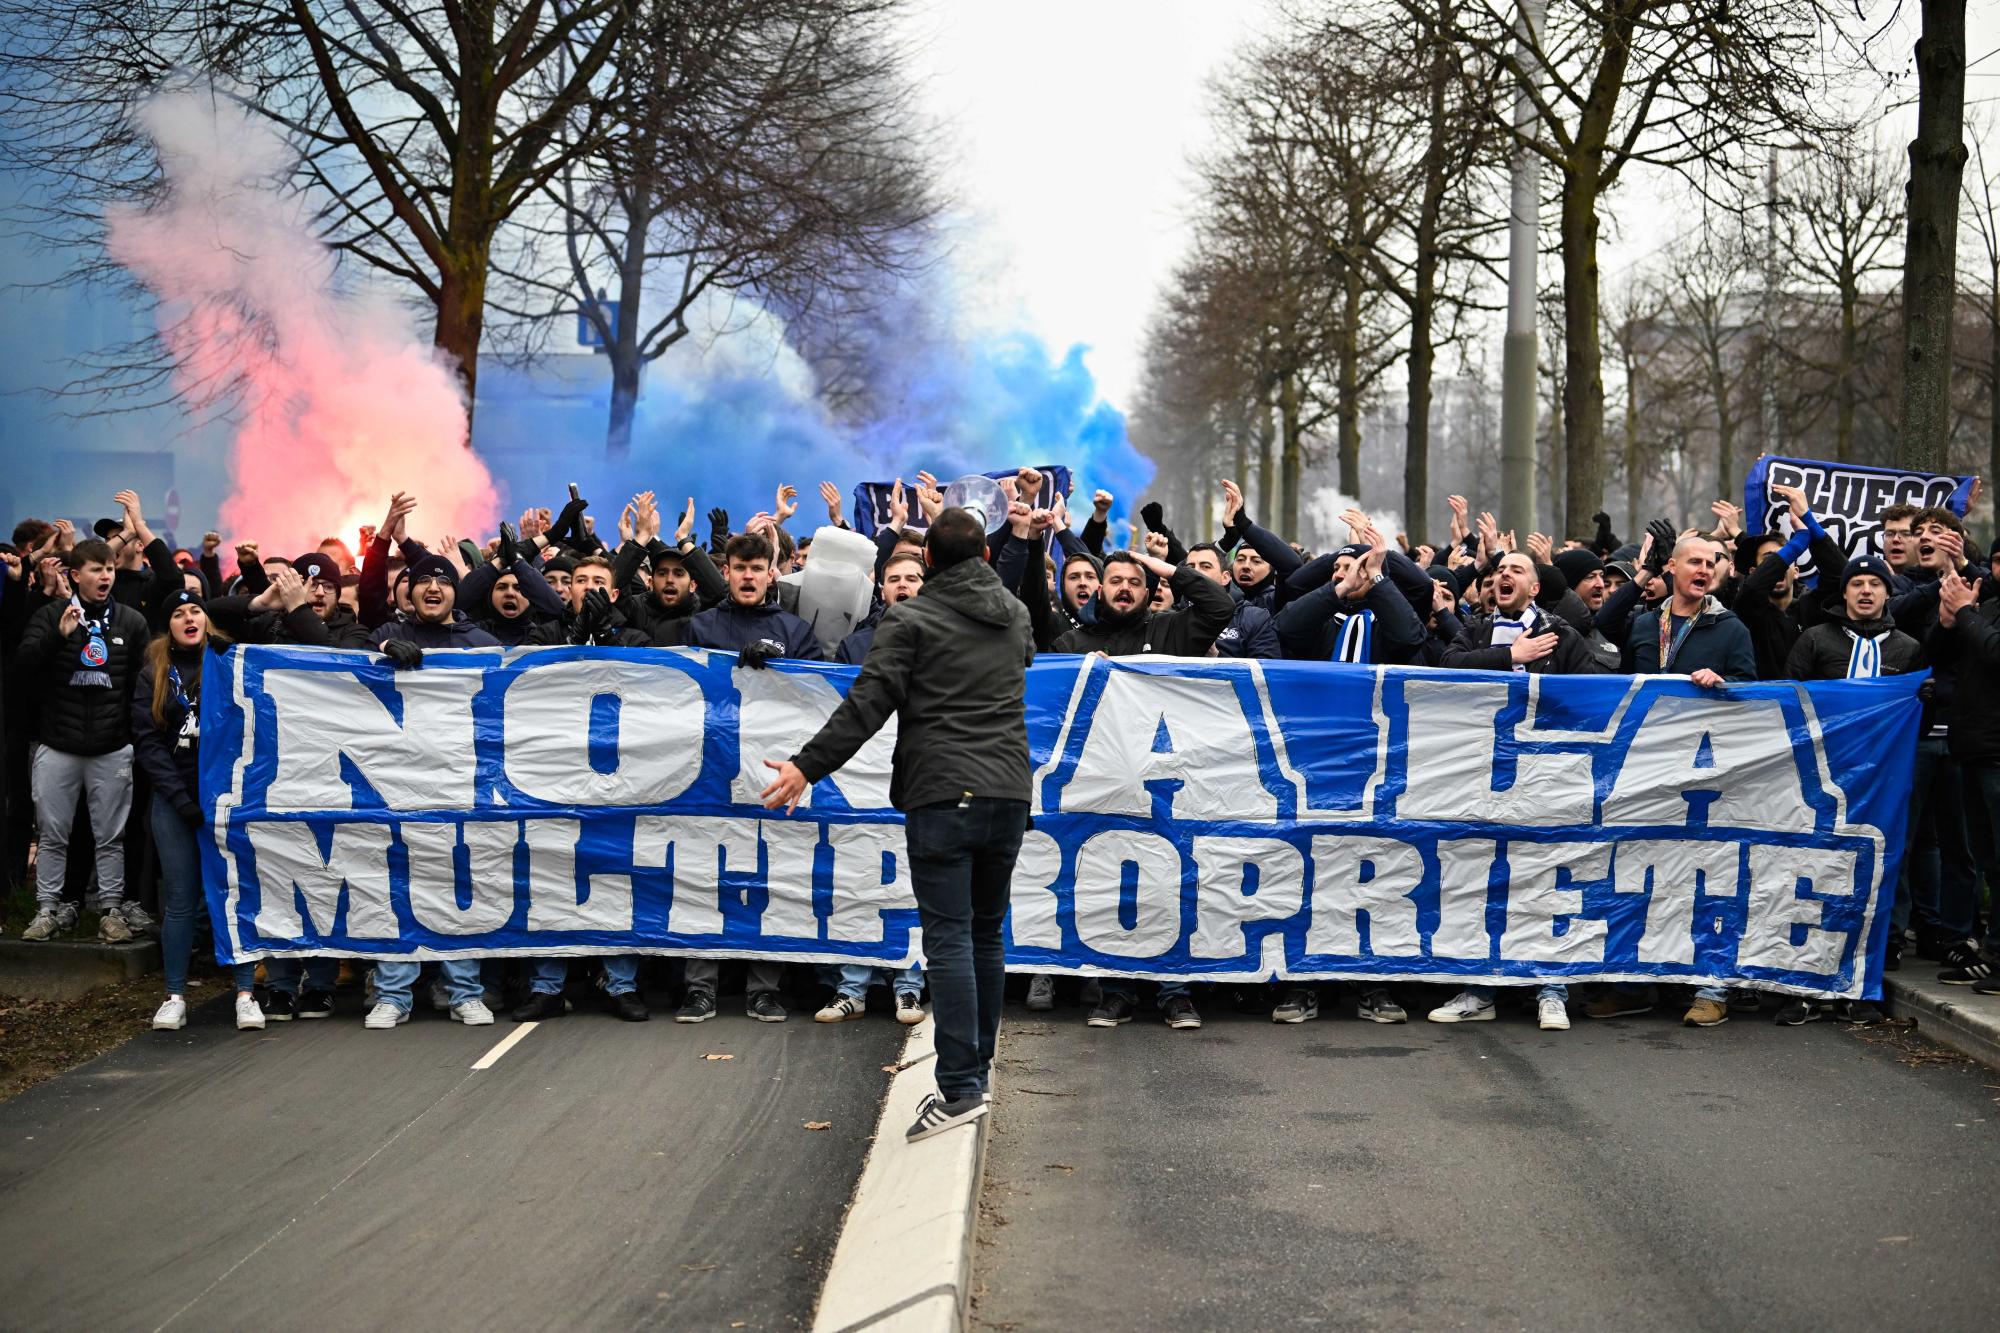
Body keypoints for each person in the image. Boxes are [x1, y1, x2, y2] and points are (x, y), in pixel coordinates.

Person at [761, 506, 1034, 1142]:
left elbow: (868, 704)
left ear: (929, 563)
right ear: (987, 559)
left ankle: (962, 1089)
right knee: (987, 934)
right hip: (1009, 791)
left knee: (948, 937)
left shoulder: (910, 619)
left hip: (943, 793)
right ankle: (978, 1071)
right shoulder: (1016, 615)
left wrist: (807, 766)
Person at [1424, 552, 1611, 1033]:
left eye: (1518, 570)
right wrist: (1509, 658)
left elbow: (1594, 695)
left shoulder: (1561, 635)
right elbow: (1447, 665)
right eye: (1500, 570)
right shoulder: (1476, 630)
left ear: (1534, 588)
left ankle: (1551, 989)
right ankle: (1480, 987)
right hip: (1482, 779)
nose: (1505, 575)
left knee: (1545, 881)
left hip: (1545, 779)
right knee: (1483, 879)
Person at [1049, 547, 1231, 1030]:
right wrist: (1082, 673)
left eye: (1135, 581)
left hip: (1174, 789)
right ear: (1101, 589)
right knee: (1115, 888)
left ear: (1149, 590)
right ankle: (1116, 991)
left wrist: (1167, 566)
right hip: (1103, 789)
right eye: (1116, 581)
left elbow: (1220, 608)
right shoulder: (1072, 642)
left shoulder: (1170, 629)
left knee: (1172, 886)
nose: (1125, 588)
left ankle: (1176, 991)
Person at [1593, 535, 1756, 1027]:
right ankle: (1631, 985)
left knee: (1705, 879)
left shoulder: (1731, 630)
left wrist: (1724, 686)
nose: (1704, 569)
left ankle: (1711, 988)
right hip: (1645, 773)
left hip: (1705, 780)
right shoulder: (1644, 624)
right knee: (1637, 875)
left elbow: (1756, 695)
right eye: (1695, 561)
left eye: (1712, 563)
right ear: (1673, 567)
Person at [1772, 554, 1925, 1024]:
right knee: (1813, 870)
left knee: (1874, 872)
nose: (1864, 591)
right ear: (1844, 592)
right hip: (1824, 776)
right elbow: (1788, 700)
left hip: (1882, 780)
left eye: (1873, 584)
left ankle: (1860, 987)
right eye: (1856, 583)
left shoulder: (1908, 649)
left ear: (1887, 593)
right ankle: (1803, 985)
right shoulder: (1815, 638)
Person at [678, 531, 824, 1023]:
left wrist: (783, 665)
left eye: (756, 568)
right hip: (711, 772)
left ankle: (764, 988)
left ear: (771, 573)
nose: (747, 576)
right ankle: (701, 987)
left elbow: (819, 693)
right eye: (738, 567)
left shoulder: (796, 630)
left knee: (770, 879)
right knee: (703, 879)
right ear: (726, 571)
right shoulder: (699, 626)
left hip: (770, 773)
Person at [366, 554, 498, 1028]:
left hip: (460, 783)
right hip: (397, 785)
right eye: (422, 581)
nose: (433, 587)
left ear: (455, 593)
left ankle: (465, 992)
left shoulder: (481, 643)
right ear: (409, 592)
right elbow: (349, 668)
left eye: (443, 580)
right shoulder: (387, 634)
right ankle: (393, 996)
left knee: (458, 887)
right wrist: (381, 650)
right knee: (394, 887)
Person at [133, 589, 264, 1031]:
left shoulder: (229, 659)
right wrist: (181, 799)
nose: (188, 618)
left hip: (226, 800)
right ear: (167, 625)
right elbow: (148, 744)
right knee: (181, 899)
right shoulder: (154, 669)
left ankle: (245, 992)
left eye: (196, 611)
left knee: (234, 891)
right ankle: (175, 995)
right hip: (175, 802)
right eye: (177, 613)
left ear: (207, 619)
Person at [17, 539, 152, 943]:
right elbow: (23, 667)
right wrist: (58, 637)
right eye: (96, 569)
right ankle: (47, 910)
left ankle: (110, 910)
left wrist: (129, 738)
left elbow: (142, 684)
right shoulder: (51, 615)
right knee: (53, 834)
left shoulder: (130, 621)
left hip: (111, 747)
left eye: (109, 568)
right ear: (75, 576)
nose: (106, 575)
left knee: (111, 837)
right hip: (58, 745)